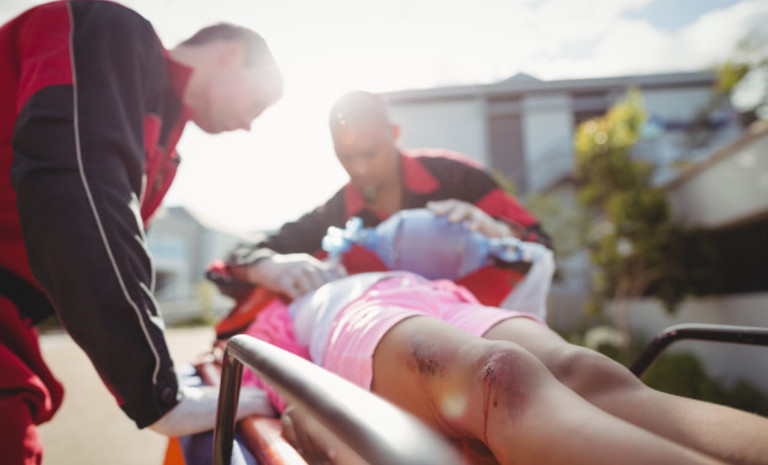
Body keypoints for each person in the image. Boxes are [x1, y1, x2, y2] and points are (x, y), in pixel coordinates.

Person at [0, 2, 282, 463]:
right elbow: (78, 189)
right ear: (230, 53)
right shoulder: (111, 31)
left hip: (15, 318)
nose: (249, 125)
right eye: (256, 102)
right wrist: (157, 388)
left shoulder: (165, 143)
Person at [238, 270, 768, 465]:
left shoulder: (367, 260)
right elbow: (279, 379)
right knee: (500, 382)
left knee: (585, 371)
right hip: (354, 320)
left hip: (436, 296)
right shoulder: (276, 309)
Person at [222, 90, 554, 315]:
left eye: (370, 153)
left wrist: (494, 232)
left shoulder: (460, 179)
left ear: (394, 134)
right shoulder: (335, 216)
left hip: (491, 335)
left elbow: (542, 248)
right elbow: (231, 263)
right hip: (393, 359)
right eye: (346, 156)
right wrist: (267, 268)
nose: (360, 168)